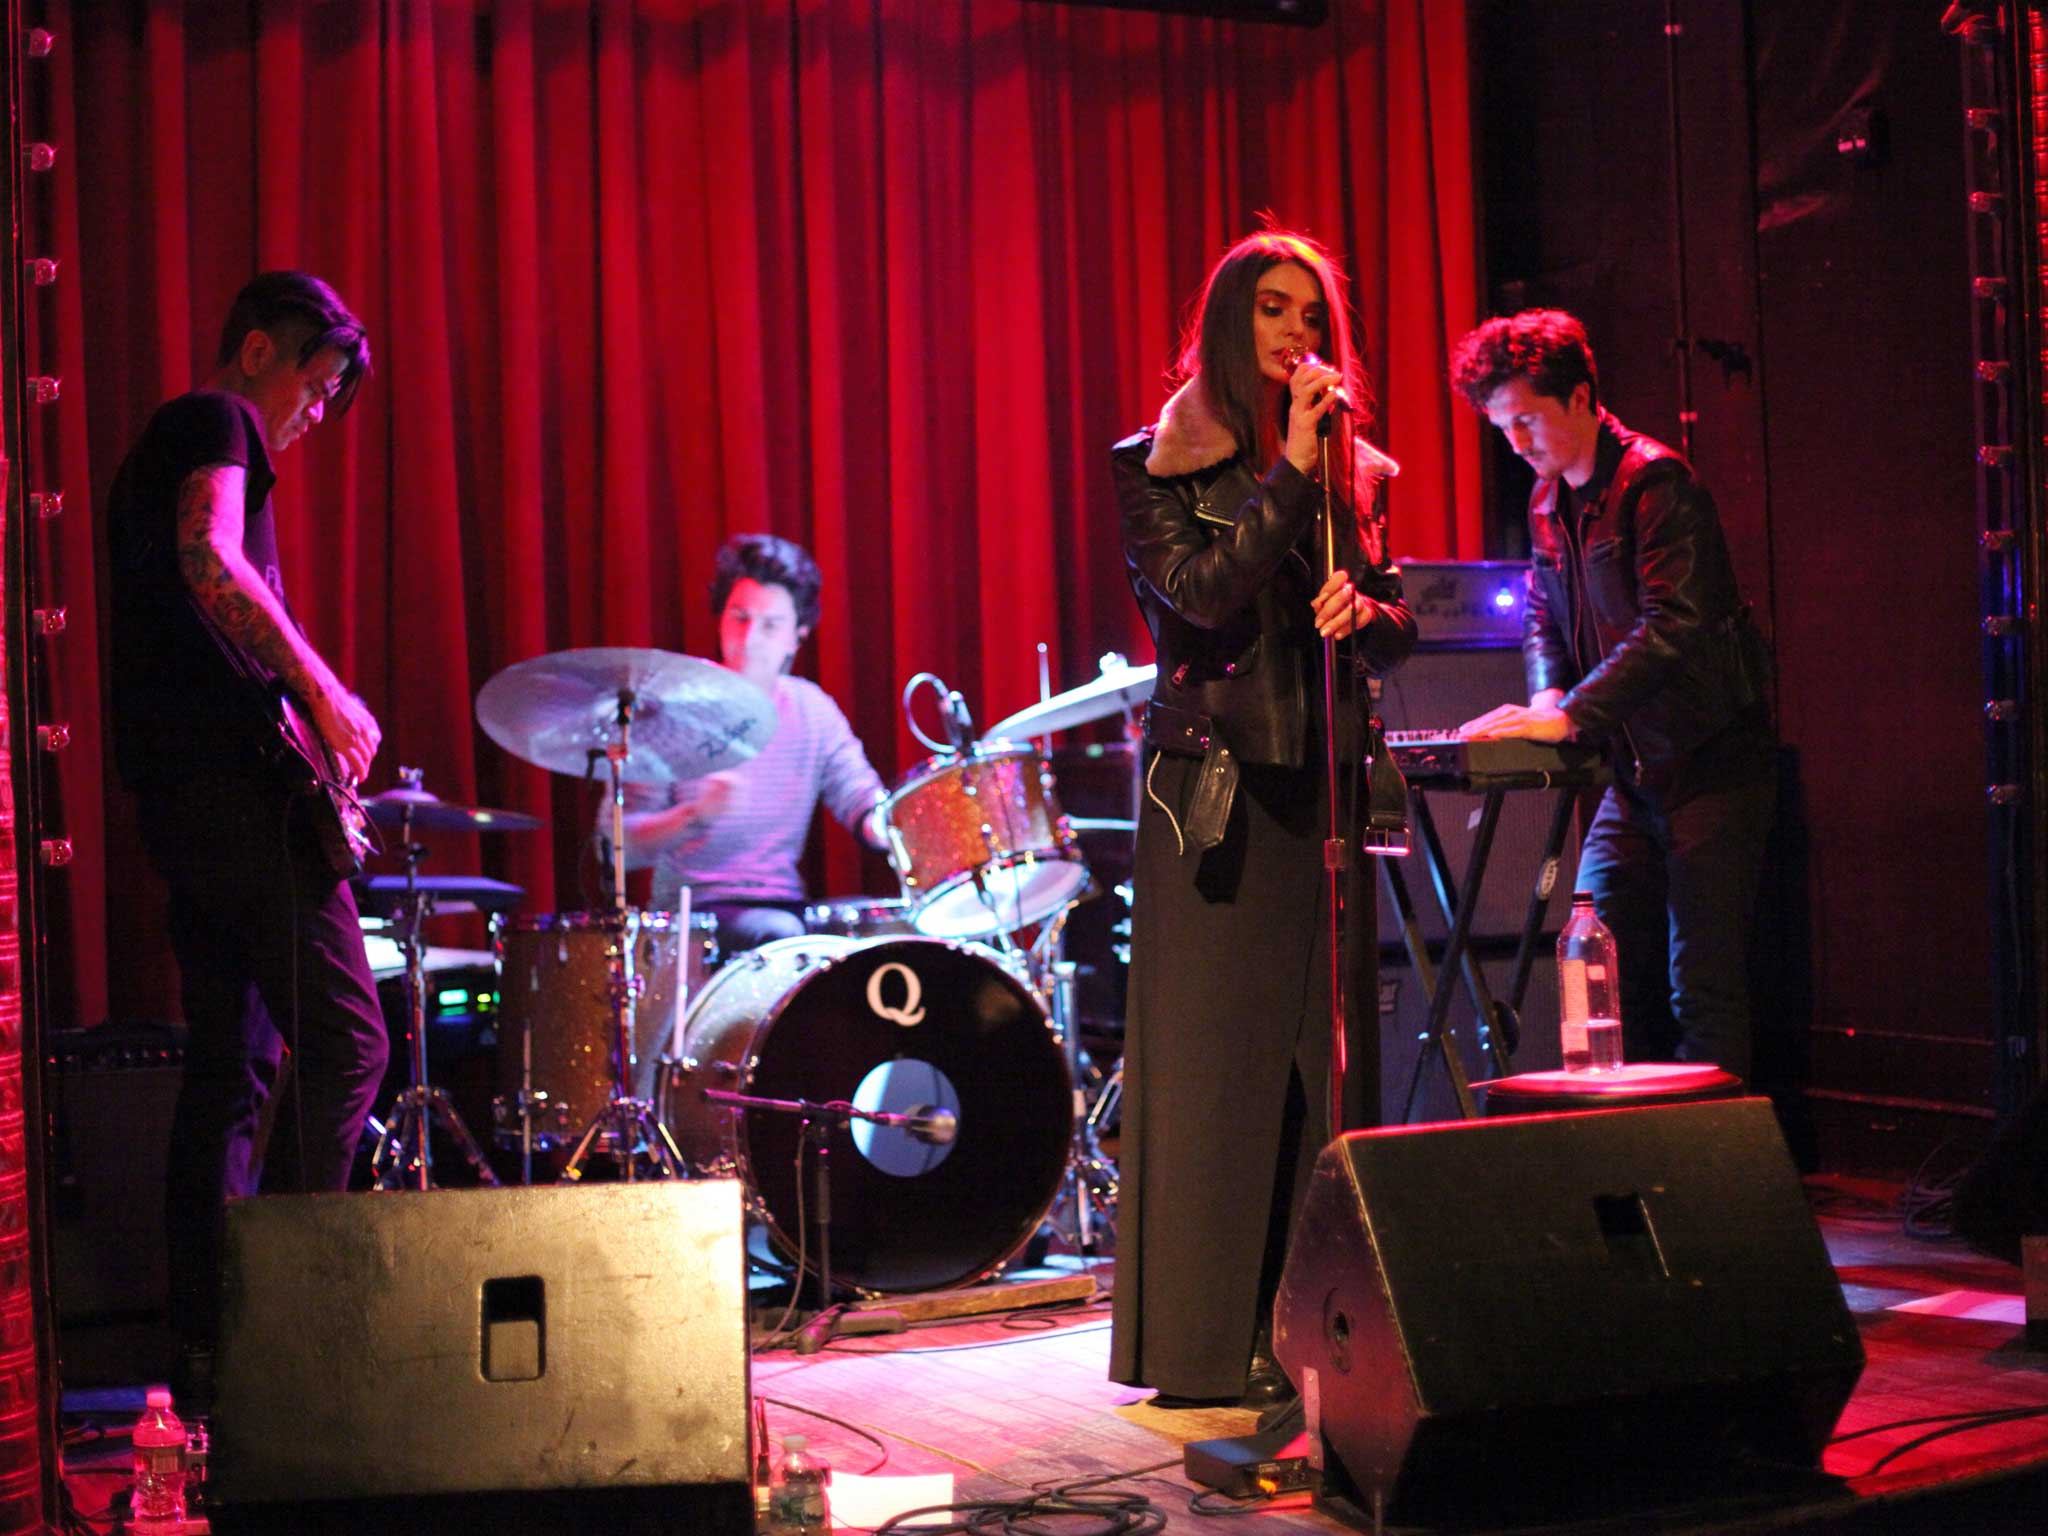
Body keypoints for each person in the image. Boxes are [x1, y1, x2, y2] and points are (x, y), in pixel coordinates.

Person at [1109, 229, 1416, 1407]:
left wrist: (1366, 615)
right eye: (1273, 312)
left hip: (1325, 795)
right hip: (1216, 808)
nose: (1297, 334)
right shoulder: (1153, 466)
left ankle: (1313, 1328)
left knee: (1322, 1080)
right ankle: (1200, 1346)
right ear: (1228, 326)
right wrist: (1291, 470)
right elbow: (1200, 596)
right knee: (1216, 1084)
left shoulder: (1358, 470)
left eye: (1313, 318)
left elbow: (1397, 616)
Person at [105, 271, 387, 1376]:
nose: (314, 417)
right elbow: (209, 559)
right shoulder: (212, 418)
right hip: (232, 797)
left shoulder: (180, 442)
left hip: (187, 797)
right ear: (261, 350)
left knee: (234, 1067)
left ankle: (210, 1356)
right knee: (348, 1041)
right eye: (314, 387)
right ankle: (285, 1336)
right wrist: (324, 690)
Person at [1449, 309, 1776, 1078]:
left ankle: (1715, 1183)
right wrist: (1547, 693)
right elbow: (1541, 614)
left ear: (1582, 396)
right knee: (1592, 968)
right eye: (1503, 426)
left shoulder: (1654, 482)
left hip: (1710, 766)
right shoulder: (1545, 502)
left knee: (1704, 988)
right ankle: (1629, 1157)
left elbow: (1677, 624)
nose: (1517, 442)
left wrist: (1571, 714)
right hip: (1632, 781)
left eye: (1526, 419)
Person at [615, 534, 888, 956]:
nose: (750, 636)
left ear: (797, 635)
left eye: (770, 624)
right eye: (739, 617)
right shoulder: (672, 708)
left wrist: (893, 825)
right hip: (693, 917)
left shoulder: (812, 709)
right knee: (782, 936)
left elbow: (860, 796)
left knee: (889, 936)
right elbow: (618, 846)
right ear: (720, 619)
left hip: (782, 906)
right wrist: (692, 815)